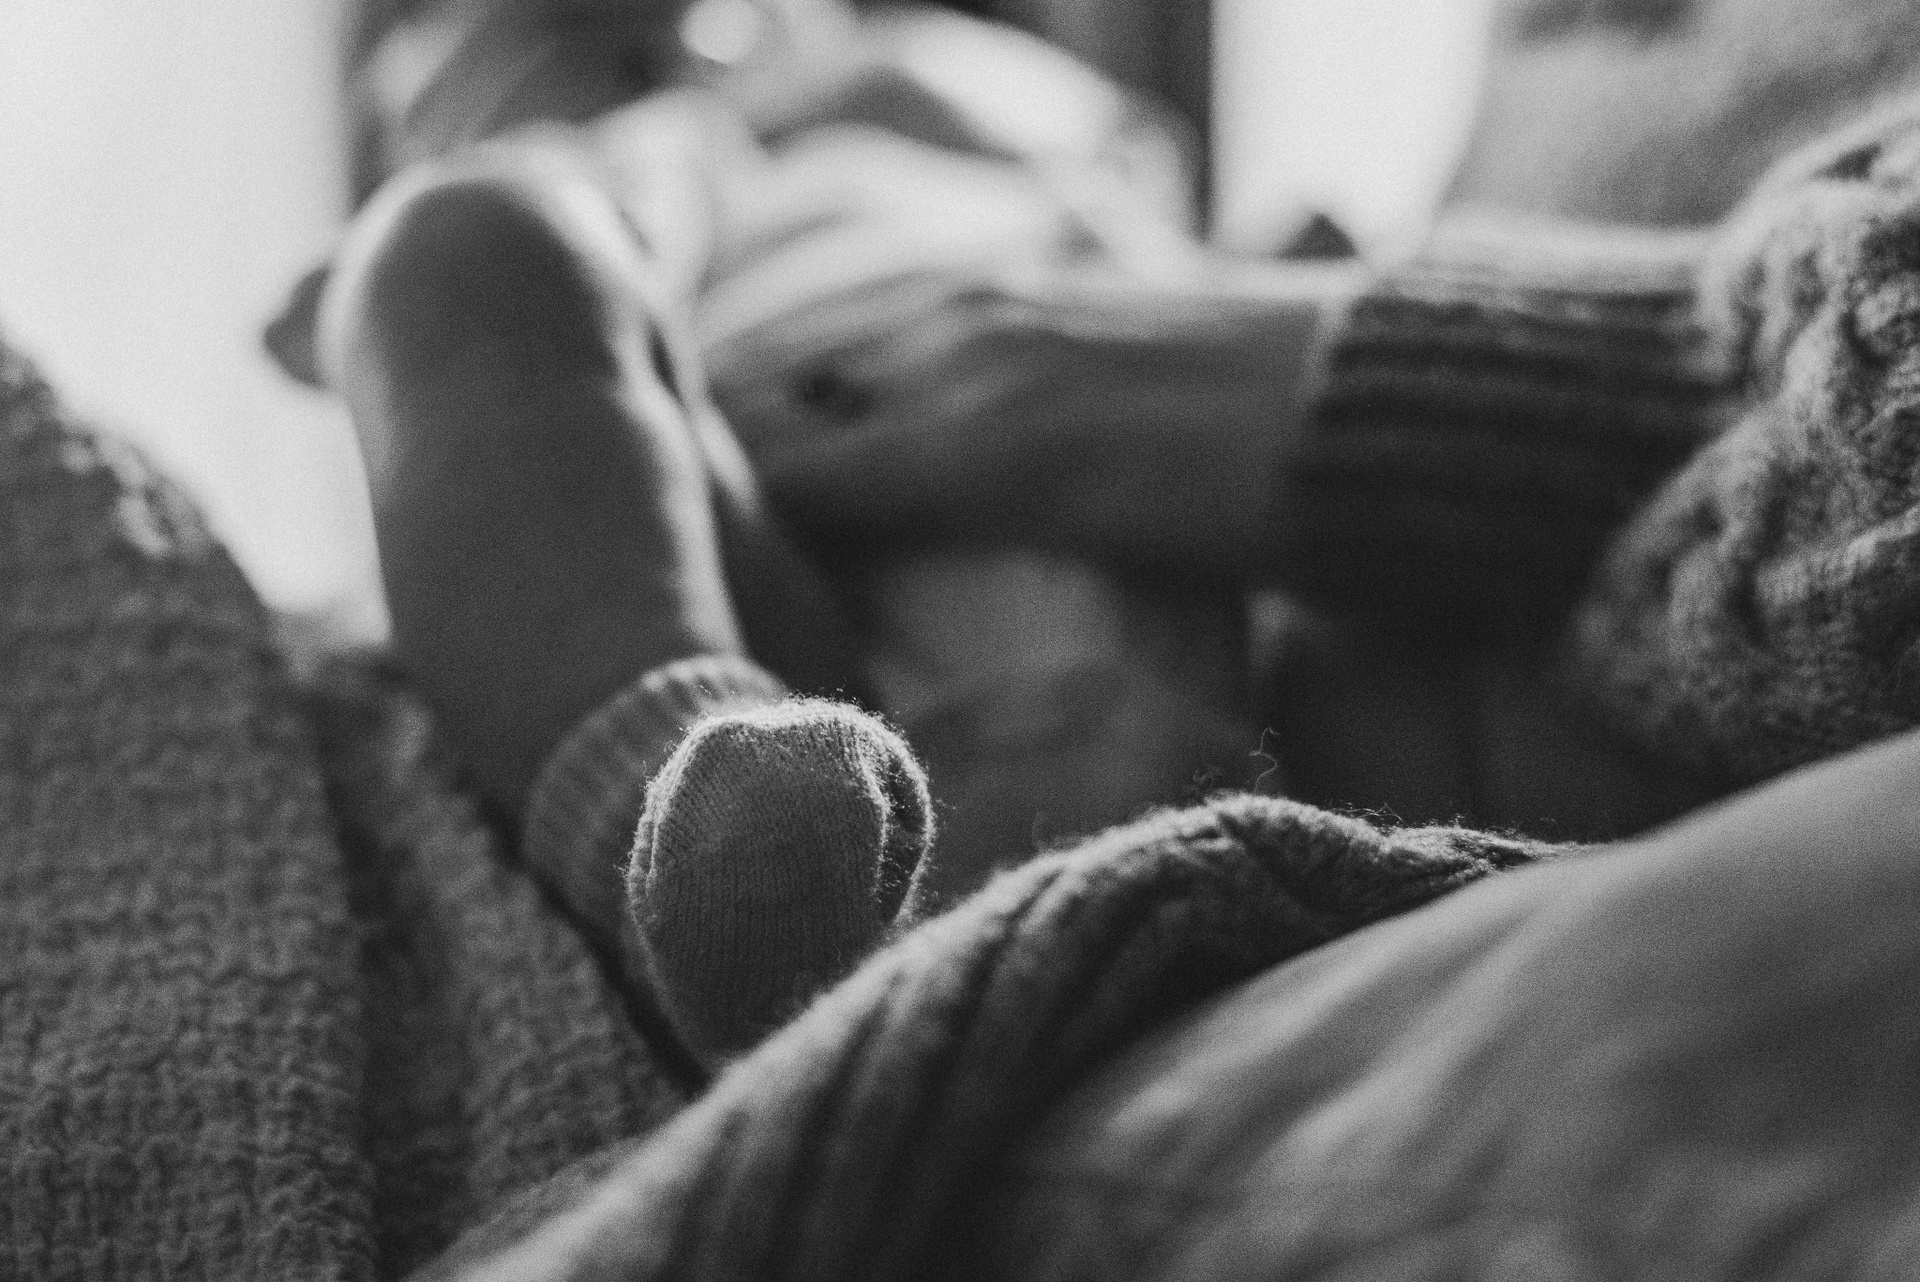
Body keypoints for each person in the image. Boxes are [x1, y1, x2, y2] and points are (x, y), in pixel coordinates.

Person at [317, 0, 1920, 1069]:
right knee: (458, 256)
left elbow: (1287, 310)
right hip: (801, 620)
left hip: (1259, 672)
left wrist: (1294, 272)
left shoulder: (1052, 160)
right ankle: (681, 820)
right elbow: (503, 319)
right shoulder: (692, 156)